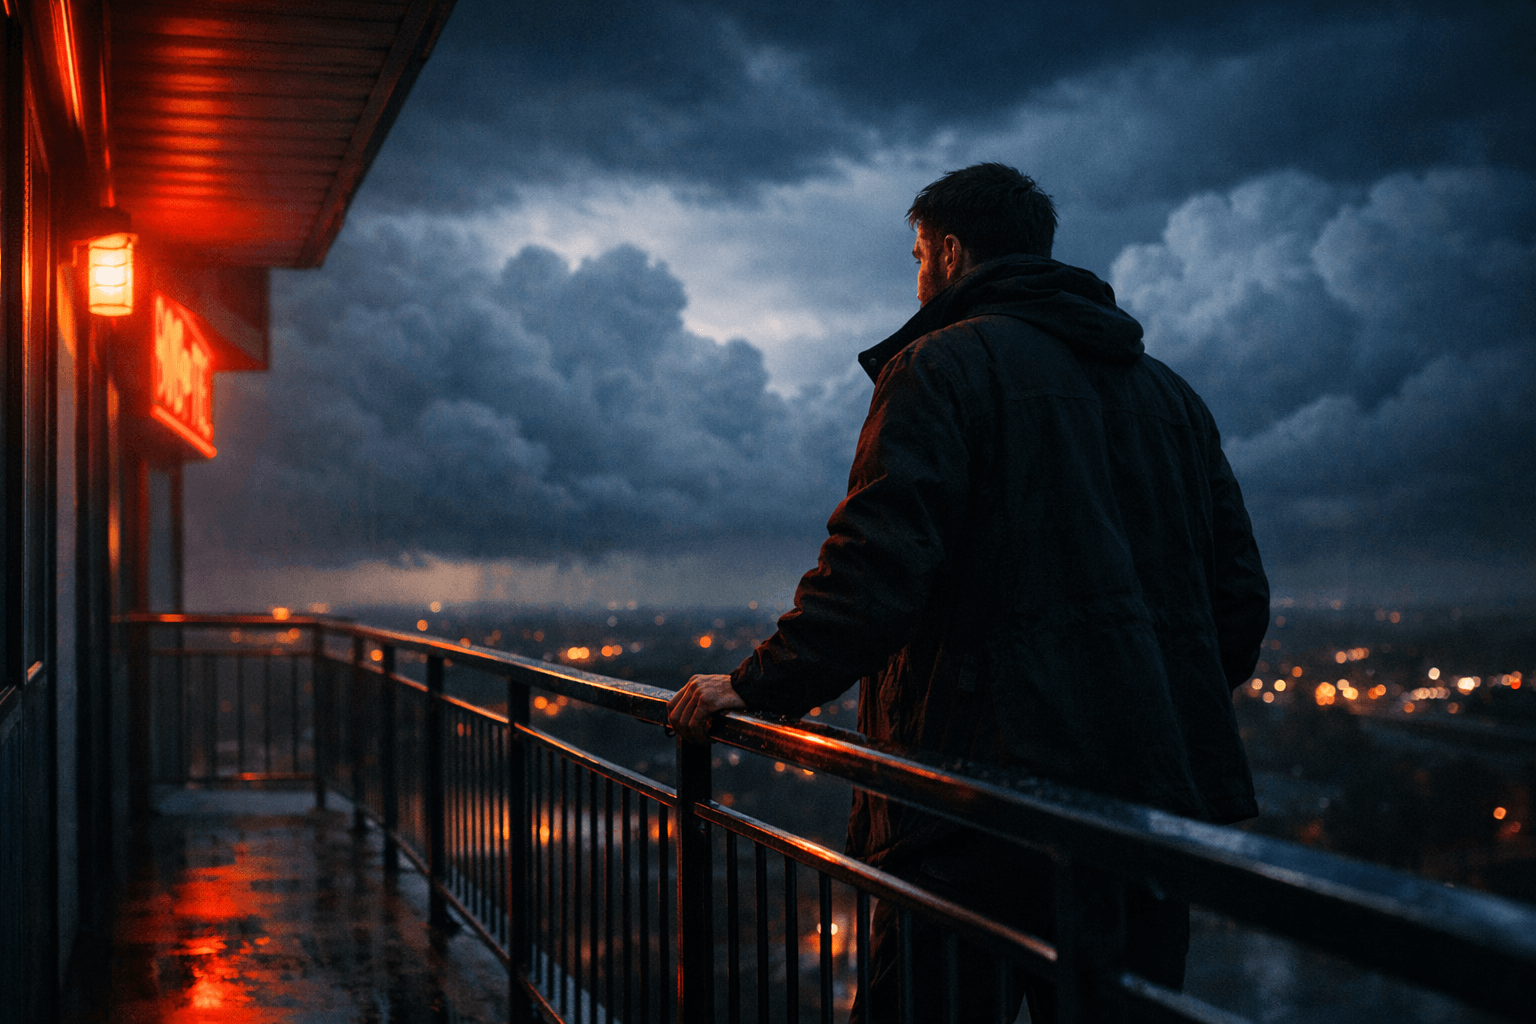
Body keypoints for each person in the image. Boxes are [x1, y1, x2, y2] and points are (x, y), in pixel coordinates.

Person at [666, 162, 1269, 1021]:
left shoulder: (940, 368)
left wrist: (758, 685)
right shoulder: (1171, 398)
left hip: (972, 807)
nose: (917, 278)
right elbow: (1237, 603)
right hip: (1139, 813)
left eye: (917, 257)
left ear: (949, 252)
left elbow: (878, 563)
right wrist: (1146, 703)